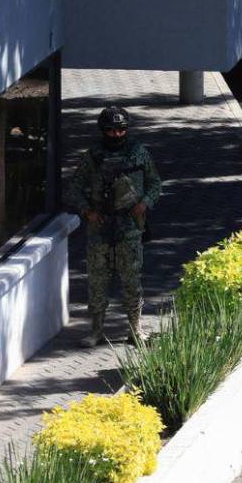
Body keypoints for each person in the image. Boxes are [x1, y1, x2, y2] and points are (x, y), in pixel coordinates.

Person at [64, 106, 161, 347]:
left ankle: (135, 329)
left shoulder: (139, 153)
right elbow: (74, 187)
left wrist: (145, 203)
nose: (117, 134)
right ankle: (95, 330)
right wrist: (88, 211)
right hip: (100, 228)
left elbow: (155, 183)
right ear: (103, 130)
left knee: (131, 280)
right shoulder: (93, 156)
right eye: (111, 130)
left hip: (129, 228)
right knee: (97, 280)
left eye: (121, 129)